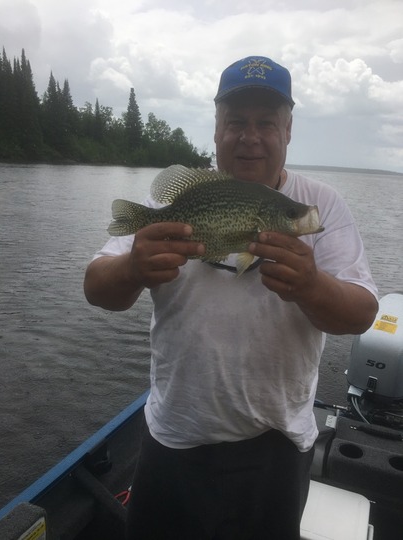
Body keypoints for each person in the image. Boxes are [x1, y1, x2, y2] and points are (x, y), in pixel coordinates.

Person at [84, 56, 378, 539]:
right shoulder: (170, 204)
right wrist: (132, 266)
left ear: (288, 130)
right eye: (236, 122)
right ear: (217, 128)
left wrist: (311, 284)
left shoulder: (319, 206)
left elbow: (362, 313)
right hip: (174, 434)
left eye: (266, 123)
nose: (250, 137)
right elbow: (97, 289)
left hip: (276, 442)